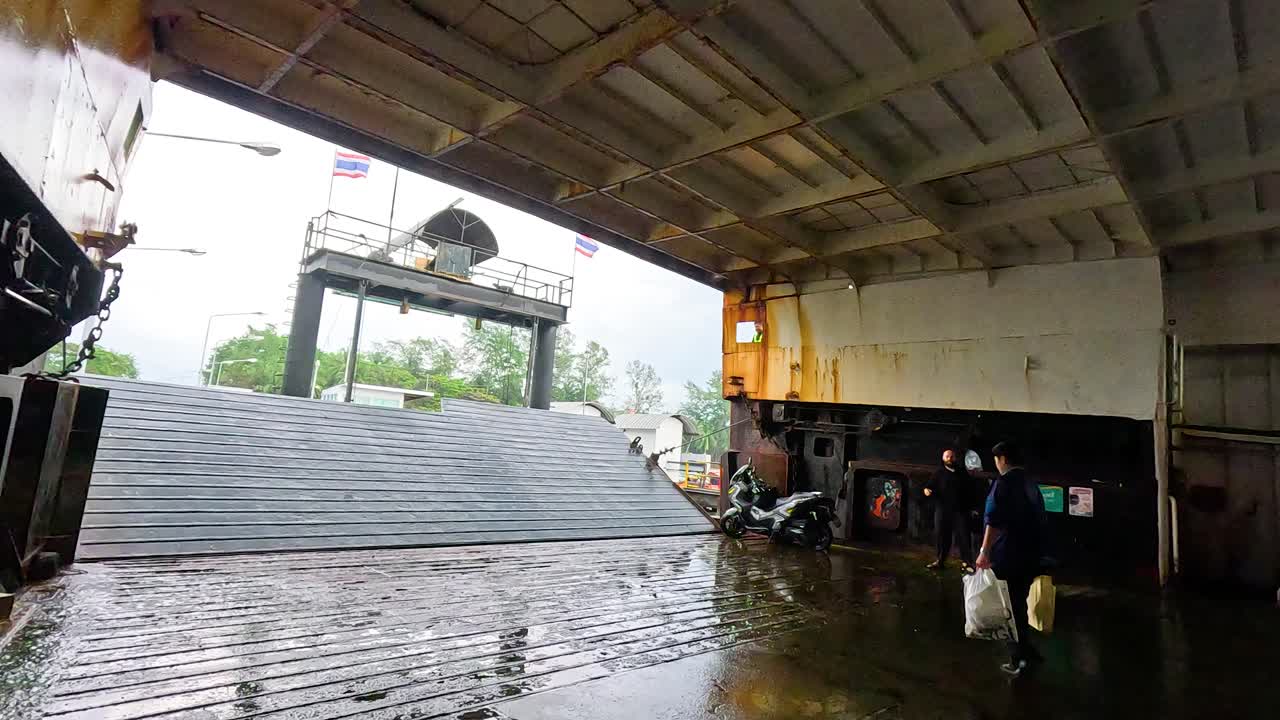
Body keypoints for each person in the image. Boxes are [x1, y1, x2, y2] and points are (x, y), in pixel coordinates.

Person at [975, 440, 1046, 677]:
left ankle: (1019, 658)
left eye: (996, 460)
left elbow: (993, 520)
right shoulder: (1030, 482)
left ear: (1003, 459)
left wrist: (984, 551)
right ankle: (1027, 649)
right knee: (1020, 602)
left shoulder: (1003, 483)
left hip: (1008, 553)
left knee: (1010, 607)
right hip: (1031, 553)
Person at [924, 448, 975, 572]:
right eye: (947, 457)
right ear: (943, 458)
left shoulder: (962, 472)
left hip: (960, 510)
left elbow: (970, 490)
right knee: (941, 535)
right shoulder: (939, 473)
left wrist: (972, 507)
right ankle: (940, 561)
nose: (949, 459)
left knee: (963, 536)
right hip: (943, 509)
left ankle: (966, 562)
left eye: (951, 457)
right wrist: (927, 491)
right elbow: (928, 487)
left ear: (955, 458)